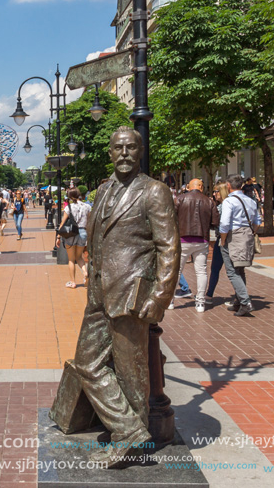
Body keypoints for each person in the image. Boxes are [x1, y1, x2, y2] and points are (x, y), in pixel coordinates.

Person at [49, 127, 179, 466]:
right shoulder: (103, 190)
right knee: (88, 363)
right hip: (98, 293)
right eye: (118, 148)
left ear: (140, 151)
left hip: (133, 294)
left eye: (131, 148)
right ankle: (130, 430)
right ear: (110, 152)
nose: (124, 153)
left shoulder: (154, 191)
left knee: (131, 370)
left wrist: (160, 296)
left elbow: (169, 247)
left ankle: (129, 440)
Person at [174, 179, 219, 312]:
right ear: (200, 186)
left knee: (176, 271)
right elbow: (215, 221)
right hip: (202, 240)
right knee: (201, 271)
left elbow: (172, 217)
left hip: (182, 240)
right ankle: (200, 302)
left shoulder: (180, 199)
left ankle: (170, 300)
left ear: (189, 187)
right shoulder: (209, 201)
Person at [220, 174, 262, 317]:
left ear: (228, 186)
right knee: (240, 269)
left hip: (233, 236)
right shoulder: (250, 200)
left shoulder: (229, 202)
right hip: (246, 235)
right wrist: (251, 232)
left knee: (232, 271)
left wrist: (223, 240)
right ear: (242, 185)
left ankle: (245, 302)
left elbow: (225, 224)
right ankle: (239, 301)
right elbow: (258, 220)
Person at [55, 188, 90, 289]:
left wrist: (58, 236)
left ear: (70, 196)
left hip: (71, 233)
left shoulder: (68, 207)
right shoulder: (87, 206)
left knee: (71, 259)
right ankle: (85, 272)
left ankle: (73, 282)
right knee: (79, 257)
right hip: (83, 232)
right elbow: (89, 221)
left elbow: (62, 223)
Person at [205, 182, 231, 301]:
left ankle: (209, 294)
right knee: (234, 270)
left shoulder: (222, 206)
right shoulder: (225, 204)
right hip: (227, 239)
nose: (214, 194)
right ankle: (209, 294)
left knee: (218, 268)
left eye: (216, 191)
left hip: (223, 240)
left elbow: (216, 223)